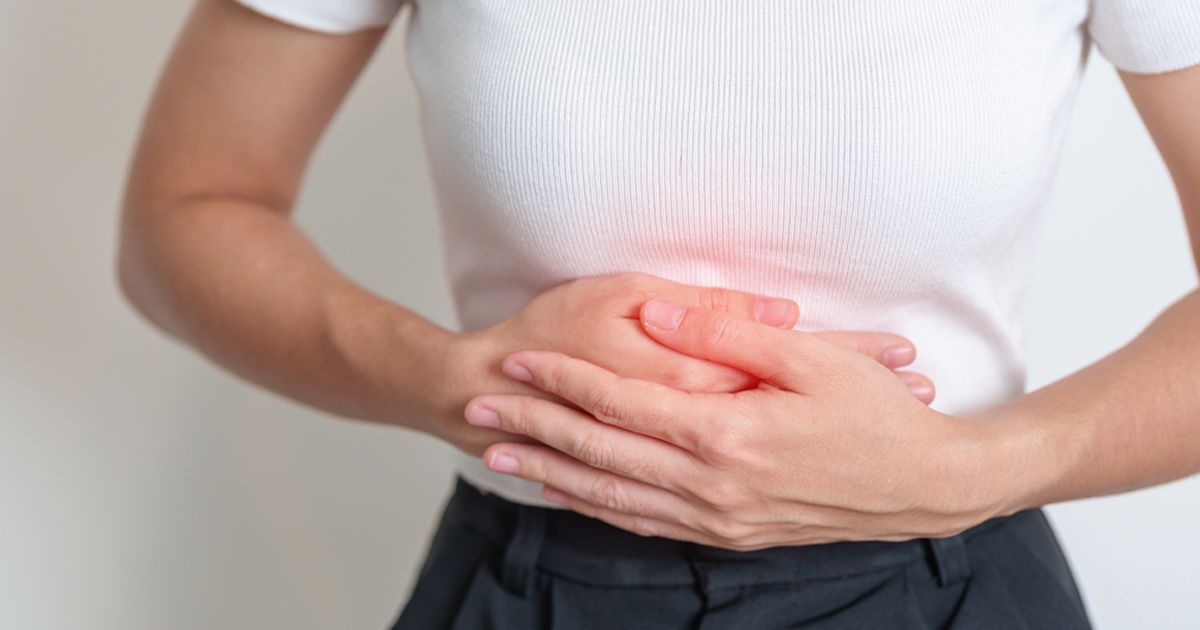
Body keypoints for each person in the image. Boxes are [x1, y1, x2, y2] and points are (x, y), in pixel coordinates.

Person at [116, 0, 1200, 627]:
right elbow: (183, 216)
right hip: (532, 582)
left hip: (941, 587)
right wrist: (454, 382)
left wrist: (976, 468)